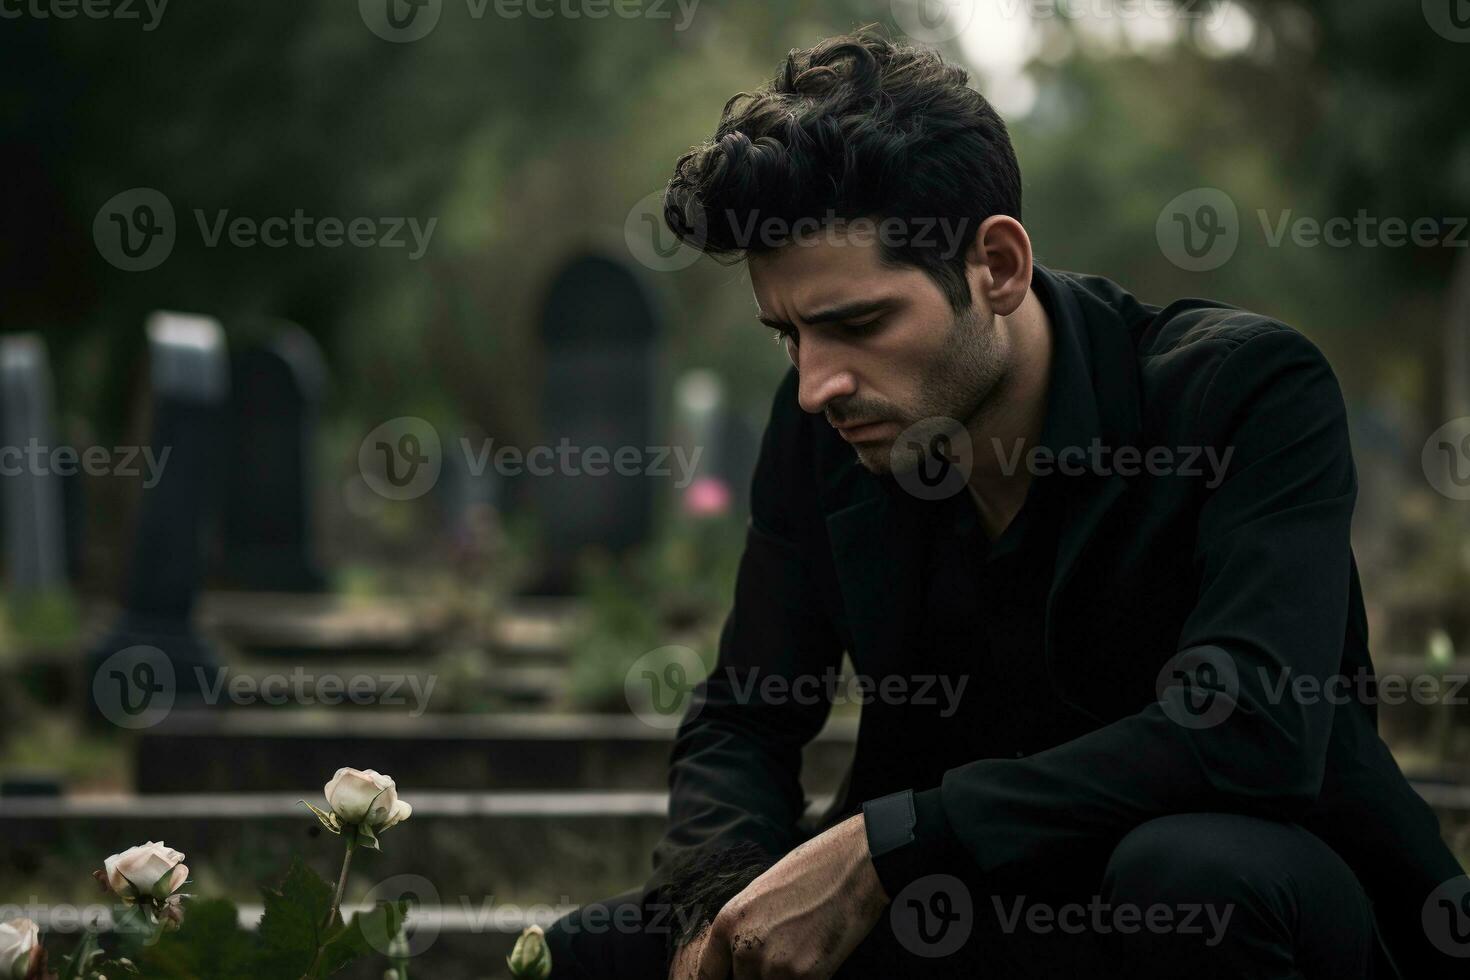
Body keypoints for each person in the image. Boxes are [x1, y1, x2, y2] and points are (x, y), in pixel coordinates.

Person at [547, 28, 1467, 979]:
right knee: (594, 957)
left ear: (997, 265)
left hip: (1235, 898)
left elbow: (1251, 728)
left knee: (1187, 877)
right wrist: (718, 898)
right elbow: (747, 713)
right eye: (788, 336)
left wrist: (893, 842)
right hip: (964, 904)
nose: (818, 383)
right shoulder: (822, 423)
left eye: (857, 324)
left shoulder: (1242, 393)